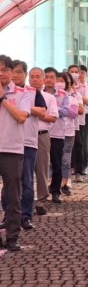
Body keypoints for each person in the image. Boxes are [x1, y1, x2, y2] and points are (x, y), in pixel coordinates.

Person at [0, 60, 46, 233]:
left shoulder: (30, 92)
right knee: (9, 185)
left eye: (20, 72)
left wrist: (24, 108)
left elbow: (41, 112)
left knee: (25, 182)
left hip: (25, 143)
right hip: (5, 144)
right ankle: (8, 216)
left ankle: (25, 216)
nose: (16, 75)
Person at [0, 55, 30, 251]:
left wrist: (3, 98)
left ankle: (12, 237)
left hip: (12, 150)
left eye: (4, 69)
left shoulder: (22, 93)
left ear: (11, 71)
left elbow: (21, 117)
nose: (1, 73)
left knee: (13, 196)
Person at [29, 67, 58, 216]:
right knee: (24, 170)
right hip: (26, 135)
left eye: (38, 77)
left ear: (43, 79)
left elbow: (52, 117)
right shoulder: (24, 95)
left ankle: (41, 201)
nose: (35, 80)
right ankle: (24, 200)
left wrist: (35, 113)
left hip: (42, 135)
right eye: (32, 77)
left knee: (41, 169)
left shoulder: (49, 98)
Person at [44, 67, 70, 204]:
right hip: (40, 133)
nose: (49, 79)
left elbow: (66, 111)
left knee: (57, 164)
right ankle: (41, 192)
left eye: (51, 77)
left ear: (56, 79)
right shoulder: (38, 93)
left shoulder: (63, 94)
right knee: (40, 165)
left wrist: (52, 107)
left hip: (57, 134)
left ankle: (55, 191)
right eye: (46, 77)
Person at [68, 65, 88, 183]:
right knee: (68, 147)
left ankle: (79, 170)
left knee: (80, 146)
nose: (75, 74)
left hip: (81, 121)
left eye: (77, 72)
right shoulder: (64, 87)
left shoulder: (83, 87)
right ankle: (68, 172)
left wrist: (78, 96)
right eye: (72, 72)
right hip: (66, 123)